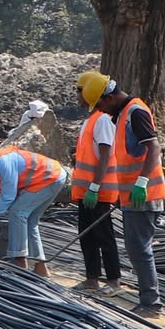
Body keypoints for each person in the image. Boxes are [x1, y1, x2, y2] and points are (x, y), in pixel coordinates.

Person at [0, 141, 69, 279]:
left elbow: (8, 198)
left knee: (17, 212)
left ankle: (19, 262)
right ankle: (41, 268)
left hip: (50, 177)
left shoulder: (2, 163)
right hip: (48, 178)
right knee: (30, 221)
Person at [70, 71, 129, 295]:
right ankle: (91, 278)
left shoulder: (103, 120)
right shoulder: (90, 120)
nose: (77, 96)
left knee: (104, 236)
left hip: (99, 190)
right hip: (86, 190)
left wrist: (95, 187)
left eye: (79, 91)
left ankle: (114, 280)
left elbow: (105, 155)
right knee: (87, 235)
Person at [112, 90, 165, 312]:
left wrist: (142, 183)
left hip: (144, 194)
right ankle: (148, 299)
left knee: (140, 249)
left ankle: (151, 303)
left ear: (109, 98)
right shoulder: (124, 113)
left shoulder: (135, 112)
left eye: (101, 105)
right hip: (132, 195)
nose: (101, 111)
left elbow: (154, 147)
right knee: (136, 249)